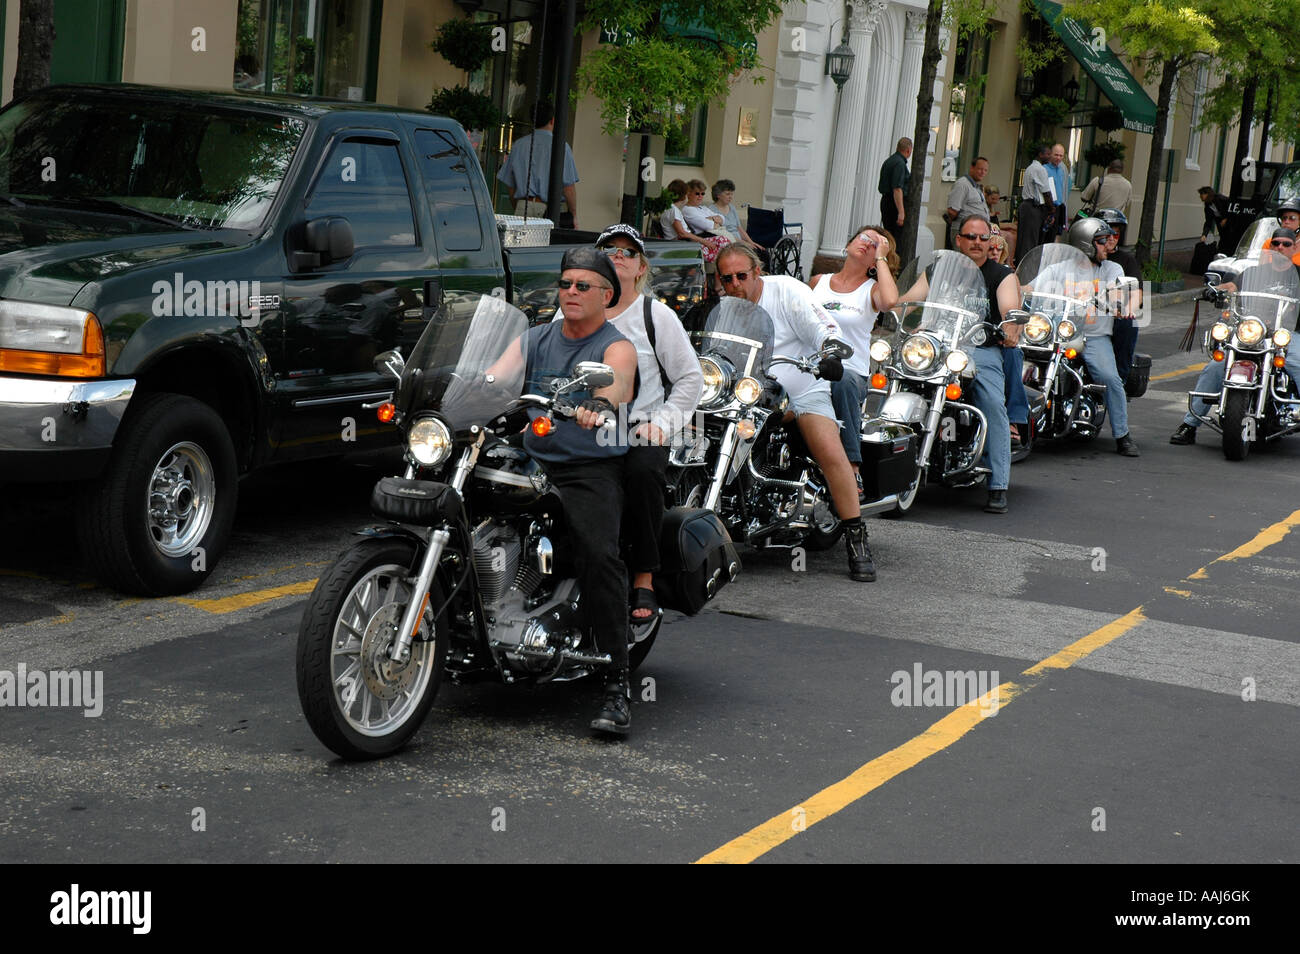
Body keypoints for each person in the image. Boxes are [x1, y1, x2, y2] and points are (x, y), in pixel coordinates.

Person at [500, 246, 639, 734]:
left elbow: (618, 383)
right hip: (526, 457)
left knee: (600, 555)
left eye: (583, 286)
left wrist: (599, 402)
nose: (571, 292)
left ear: (606, 294)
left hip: (586, 465)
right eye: (565, 284)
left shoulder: (614, 344)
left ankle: (617, 686)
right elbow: (492, 377)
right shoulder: (535, 336)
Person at [714, 244, 877, 581]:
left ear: (756, 271)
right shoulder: (723, 308)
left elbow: (822, 325)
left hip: (801, 388)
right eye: (726, 278)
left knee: (830, 450)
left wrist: (829, 348)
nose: (735, 284)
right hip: (746, 395)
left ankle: (856, 537)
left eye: (741, 275)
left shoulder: (787, 291)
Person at [594, 223, 705, 623]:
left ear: (641, 268)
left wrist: (662, 425)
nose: (618, 256)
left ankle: (644, 575)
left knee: (642, 474)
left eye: (627, 252)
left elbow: (690, 378)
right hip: (583, 423)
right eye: (609, 250)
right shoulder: (574, 307)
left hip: (636, 426)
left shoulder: (655, 315)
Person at [900, 212, 1023, 513]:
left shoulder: (1001, 275)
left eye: (984, 238)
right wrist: (893, 310)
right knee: (894, 378)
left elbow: (1009, 306)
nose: (978, 243)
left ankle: (998, 484)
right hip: (936, 344)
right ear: (958, 240)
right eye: (971, 237)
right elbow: (911, 300)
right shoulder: (938, 268)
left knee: (992, 402)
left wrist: (1009, 324)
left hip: (979, 348)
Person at [1172, 233, 1300, 445]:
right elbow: (1232, 287)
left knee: (1297, 361)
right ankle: (1189, 424)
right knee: (1216, 365)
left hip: (1284, 334)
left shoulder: (1298, 275)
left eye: (1285, 244)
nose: (1280, 248)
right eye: (1275, 243)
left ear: (1293, 248)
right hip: (1252, 330)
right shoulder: (1254, 272)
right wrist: (1214, 291)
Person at [1035, 217, 1140, 456]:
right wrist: (1019, 290)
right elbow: (1032, 288)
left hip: (1092, 337)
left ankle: (1122, 435)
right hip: (1057, 334)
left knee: (1110, 379)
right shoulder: (1058, 269)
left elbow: (1119, 294)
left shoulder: (1113, 269)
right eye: (1102, 241)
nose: (1108, 245)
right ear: (1085, 244)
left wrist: (1117, 301)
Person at [811, 226, 900, 501]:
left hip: (849, 371)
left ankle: (851, 467)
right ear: (849, 243)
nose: (867, 244)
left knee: (844, 381)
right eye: (864, 238)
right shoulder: (818, 282)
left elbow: (890, 301)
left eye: (875, 245)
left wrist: (882, 258)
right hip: (811, 366)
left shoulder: (871, 290)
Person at [497, 100, 579, 229]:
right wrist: (573, 214)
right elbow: (568, 188)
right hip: (551, 209)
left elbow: (511, 186)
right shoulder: (561, 146)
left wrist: (520, 204)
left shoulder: (519, 145)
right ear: (552, 120)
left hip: (524, 206)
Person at [1103, 224, 1142, 380]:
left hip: (1113, 313)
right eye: (1106, 235)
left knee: (1129, 324)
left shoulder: (1125, 261)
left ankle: (1120, 378)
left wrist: (1127, 310)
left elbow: (1137, 292)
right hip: (1085, 312)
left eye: (1116, 235)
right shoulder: (1083, 258)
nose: (1111, 239)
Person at [661, 178, 730, 263]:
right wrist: (704, 242)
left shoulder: (672, 209)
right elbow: (682, 233)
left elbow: (722, 219)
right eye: (687, 193)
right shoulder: (673, 210)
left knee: (724, 243)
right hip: (682, 245)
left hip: (687, 242)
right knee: (724, 244)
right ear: (683, 195)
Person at [1017, 144, 1055, 263]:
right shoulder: (1040, 169)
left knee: (1024, 239)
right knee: (1030, 240)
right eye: (1048, 154)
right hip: (1033, 207)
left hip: (1027, 206)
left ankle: (1022, 264)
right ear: (1040, 155)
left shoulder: (1030, 167)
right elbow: (1046, 192)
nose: (1049, 157)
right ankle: (1027, 267)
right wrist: (1052, 209)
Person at [945, 157, 990, 249]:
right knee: (963, 261)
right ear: (972, 168)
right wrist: (964, 223)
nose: (983, 173)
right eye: (980, 169)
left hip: (977, 234)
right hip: (966, 233)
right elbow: (952, 211)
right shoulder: (962, 184)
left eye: (985, 170)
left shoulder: (976, 187)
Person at [878, 138, 912, 233]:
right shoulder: (900, 164)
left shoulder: (890, 160)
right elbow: (897, 189)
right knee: (895, 237)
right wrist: (901, 212)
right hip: (893, 205)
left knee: (889, 234)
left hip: (886, 201)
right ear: (908, 150)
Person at [1048, 143, 1070, 236]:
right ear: (1050, 154)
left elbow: (1064, 191)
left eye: (1060, 155)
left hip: (1058, 208)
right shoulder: (1045, 169)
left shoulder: (1062, 170)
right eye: (1056, 155)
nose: (1058, 158)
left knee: (1053, 236)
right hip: (1048, 208)